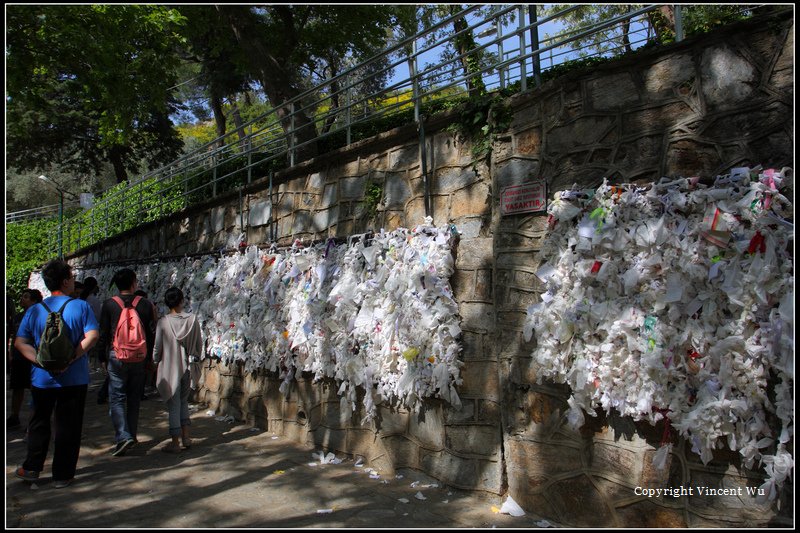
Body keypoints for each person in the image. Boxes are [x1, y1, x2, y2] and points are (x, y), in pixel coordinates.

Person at [14, 260, 99, 488]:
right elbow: (92, 336)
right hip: (74, 378)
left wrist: (42, 362)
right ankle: (62, 474)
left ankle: (31, 467)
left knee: (39, 422)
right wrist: (70, 359)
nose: (73, 282)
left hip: (42, 379)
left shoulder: (34, 310)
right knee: (68, 426)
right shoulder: (80, 307)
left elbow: (20, 342)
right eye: (71, 278)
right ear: (64, 281)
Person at [97, 268, 156, 457]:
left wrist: (102, 357)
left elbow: (104, 333)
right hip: (139, 357)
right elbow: (150, 333)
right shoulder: (145, 304)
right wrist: (150, 358)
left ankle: (123, 436)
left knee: (117, 397)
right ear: (133, 283)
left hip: (117, 356)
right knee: (134, 398)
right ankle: (131, 434)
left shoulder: (109, 305)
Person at [153, 287, 203, 453]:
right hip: (188, 368)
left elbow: (157, 347)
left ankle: (175, 442)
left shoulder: (163, 322)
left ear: (167, 303)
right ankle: (186, 437)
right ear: (182, 301)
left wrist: (154, 361)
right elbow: (198, 345)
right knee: (183, 402)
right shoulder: (192, 320)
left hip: (169, 368)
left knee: (173, 405)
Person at [8, 289, 43, 429]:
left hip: (32, 357)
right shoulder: (18, 317)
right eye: (22, 296)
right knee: (17, 388)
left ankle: (34, 419)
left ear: (34, 301)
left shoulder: (39, 316)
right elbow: (14, 336)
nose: (22, 299)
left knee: (35, 389)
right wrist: (11, 353)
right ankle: (14, 416)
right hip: (18, 357)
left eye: (26, 297)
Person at [134, 289, 159, 400]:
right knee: (141, 370)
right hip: (143, 343)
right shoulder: (147, 307)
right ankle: (139, 392)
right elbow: (153, 323)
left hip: (128, 345)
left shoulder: (127, 307)